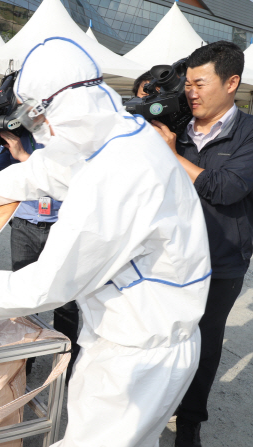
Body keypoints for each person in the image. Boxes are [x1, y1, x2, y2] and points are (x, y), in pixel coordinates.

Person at [0, 37, 211, 447]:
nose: (42, 129)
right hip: (128, 333)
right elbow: (41, 172)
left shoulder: (120, 171)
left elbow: (49, 283)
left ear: (64, 105)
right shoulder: (110, 137)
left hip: (140, 355)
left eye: (39, 115)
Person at [151, 41, 253, 447]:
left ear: (231, 83)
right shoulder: (177, 127)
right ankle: (155, 405)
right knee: (162, 333)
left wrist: (172, 155)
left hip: (222, 259)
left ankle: (189, 422)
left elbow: (225, 188)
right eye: (188, 83)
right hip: (170, 254)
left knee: (205, 342)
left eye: (199, 82)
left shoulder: (249, 134)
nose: (190, 92)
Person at [0, 129, 79, 381]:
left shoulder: (63, 132)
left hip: (61, 226)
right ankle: (24, 364)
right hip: (24, 227)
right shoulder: (13, 134)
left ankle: (67, 365)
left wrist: (23, 155)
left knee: (66, 300)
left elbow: (70, 175)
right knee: (24, 300)